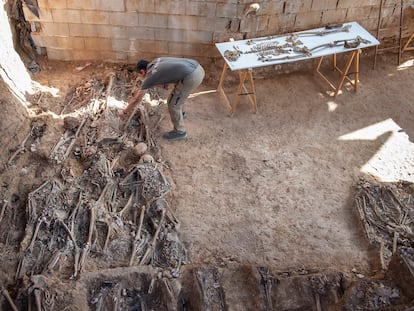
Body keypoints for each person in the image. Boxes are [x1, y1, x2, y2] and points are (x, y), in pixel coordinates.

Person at [120, 57, 205, 141]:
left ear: (142, 71)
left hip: (191, 77)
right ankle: (181, 113)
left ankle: (180, 131)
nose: (141, 77)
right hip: (198, 67)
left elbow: (137, 99)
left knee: (173, 104)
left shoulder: (150, 75)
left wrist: (124, 111)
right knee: (178, 94)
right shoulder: (156, 61)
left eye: (140, 74)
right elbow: (167, 71)